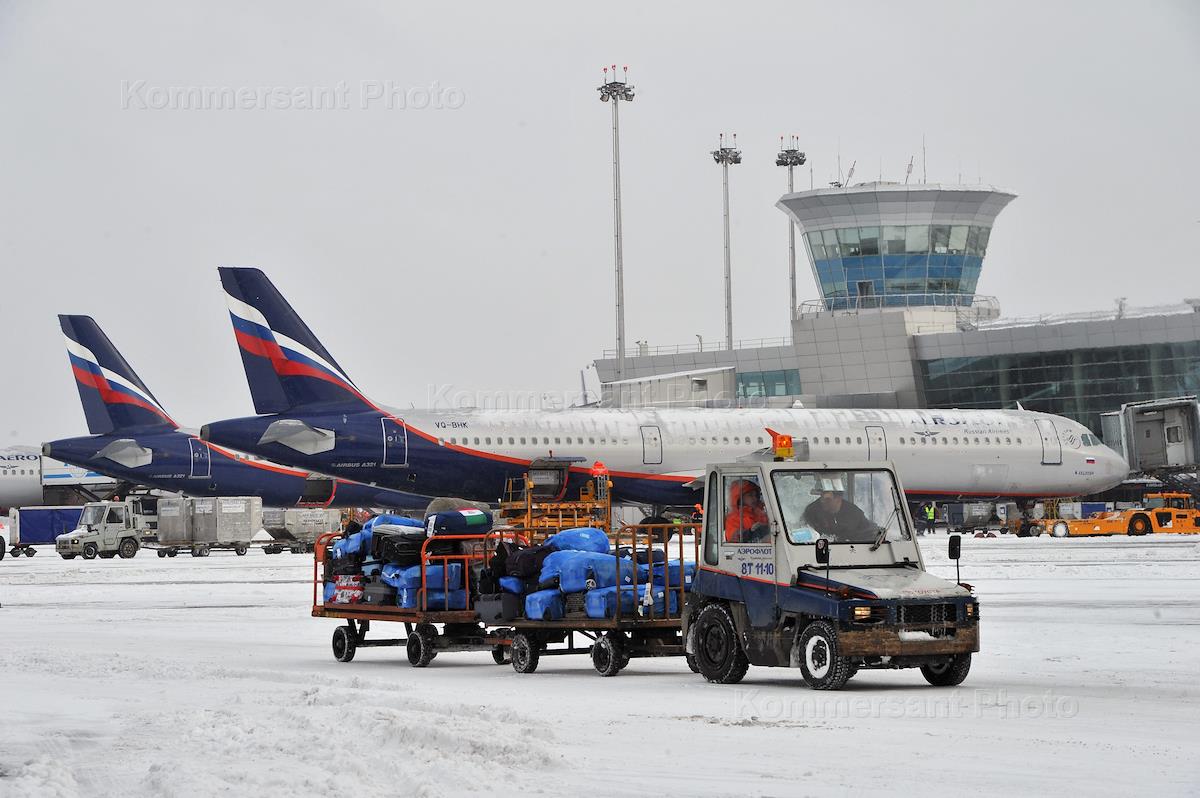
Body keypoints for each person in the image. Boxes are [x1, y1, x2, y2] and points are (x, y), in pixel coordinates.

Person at [803, 478, 874, 541]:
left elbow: (868, 535)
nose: (822, 501)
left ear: (839, 498)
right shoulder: (812, 511)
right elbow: (803, 530)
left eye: (828, 499)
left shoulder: (854, 514)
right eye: (821, 497)